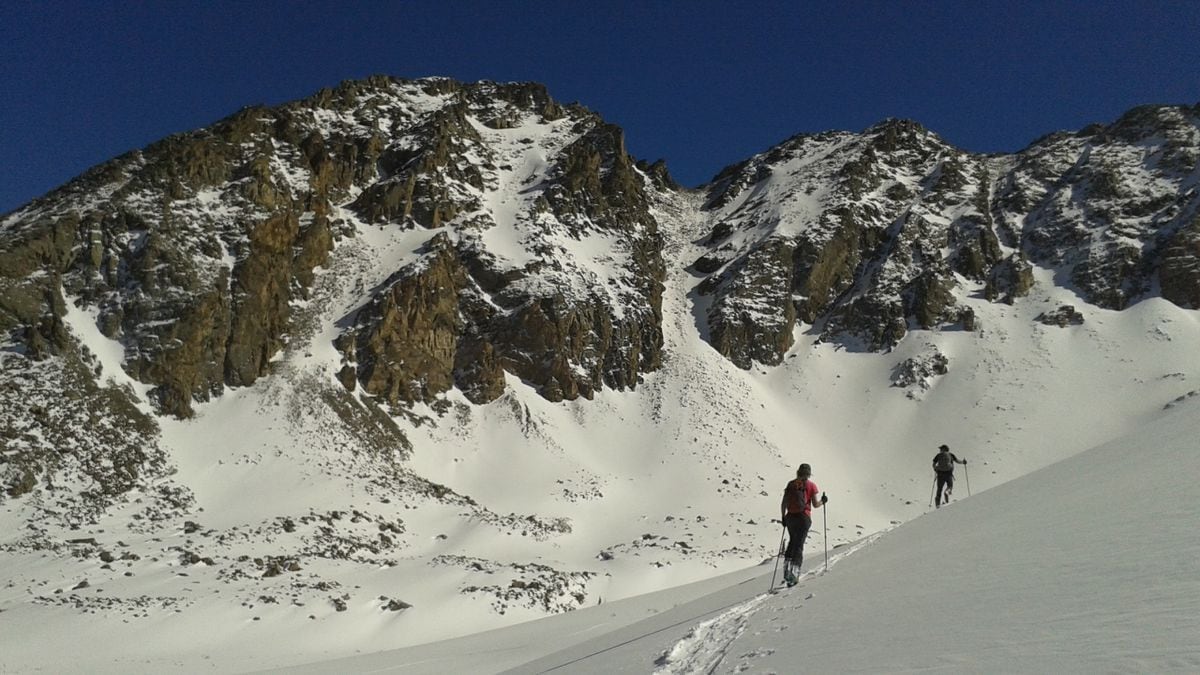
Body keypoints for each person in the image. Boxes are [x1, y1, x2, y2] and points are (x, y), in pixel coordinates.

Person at [779, 463, 827, 587]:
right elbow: (815, 505)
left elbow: (784, 502)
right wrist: (823, 501)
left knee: (792, 542)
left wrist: (783, 517)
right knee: (799, 545)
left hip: (790, 517)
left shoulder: (791, 484)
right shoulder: (811, 485)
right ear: (809, 473)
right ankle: (794, 574)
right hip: (803, 517)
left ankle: (787, 571)